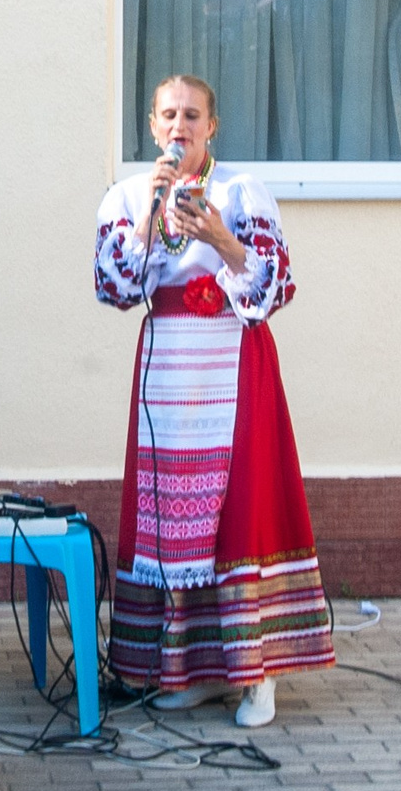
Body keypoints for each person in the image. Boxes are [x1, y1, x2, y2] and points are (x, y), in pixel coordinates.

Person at [92, 74, 336, 727]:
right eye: (169, 115)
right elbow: (114, 288)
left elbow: (276, 287)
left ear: (212, 126)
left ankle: (257, 677)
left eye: (193, 115)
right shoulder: (127, 197)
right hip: (168, 374)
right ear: (152, 126)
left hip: (233, 363)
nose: (181, 126)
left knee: (241, 512)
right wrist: (151, 217)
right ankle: (192, 671)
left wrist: (222, 237)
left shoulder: (240, 191)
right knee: (176, 523)